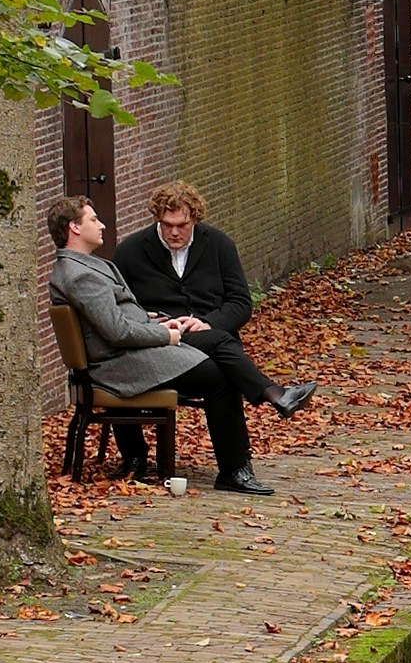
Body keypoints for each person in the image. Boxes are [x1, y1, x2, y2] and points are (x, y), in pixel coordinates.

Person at [48, 201, 274, 495]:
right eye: (94, 219)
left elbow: (119, 316)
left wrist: (154, 321)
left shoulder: (87, 266)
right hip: (119, 364)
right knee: (219, 376)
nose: (101, 225)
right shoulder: (82, 274)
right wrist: (164, 334)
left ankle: (243, 451)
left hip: (129, 352)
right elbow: (116, 331)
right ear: (75, 227)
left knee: (218, 350)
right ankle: (235, 467)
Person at [116, 185, 313, 416]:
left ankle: (249, 432)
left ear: (195, 219)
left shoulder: (219, 245)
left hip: (213, 345)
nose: (175, 232)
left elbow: (240, 302)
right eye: (167, 225)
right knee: (224, 366)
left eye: (182, 225)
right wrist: (154, 324)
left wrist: (208, 323)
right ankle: (274, 394)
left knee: (221, 362)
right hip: (162, 346)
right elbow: (118, 307)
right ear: (157, 219)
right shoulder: (130, 251)